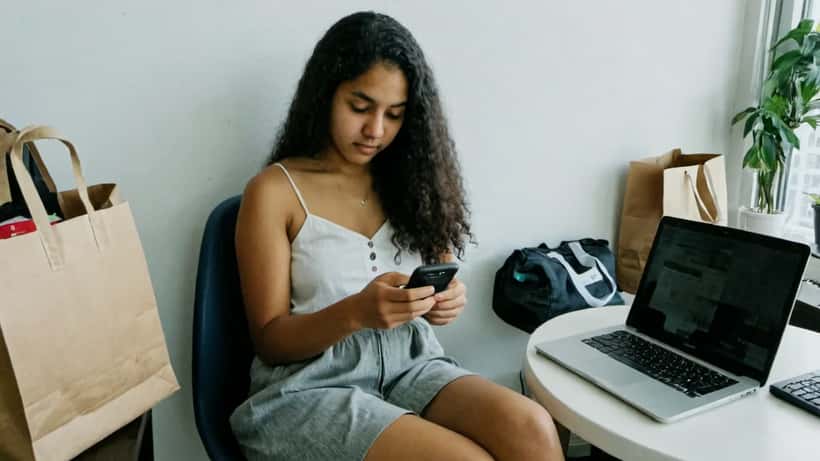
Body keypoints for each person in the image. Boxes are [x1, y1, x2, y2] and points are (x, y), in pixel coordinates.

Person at [230, 11, 564, 461]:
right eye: (360, 107)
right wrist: (356, 312)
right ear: (325, 95)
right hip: (311, 385)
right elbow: (270, 341)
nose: (376, 130)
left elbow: (439, 276)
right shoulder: (274, 192)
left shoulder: (413, 183)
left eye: (394, 115)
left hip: (412, 364)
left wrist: (445, 302)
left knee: (532, 427)